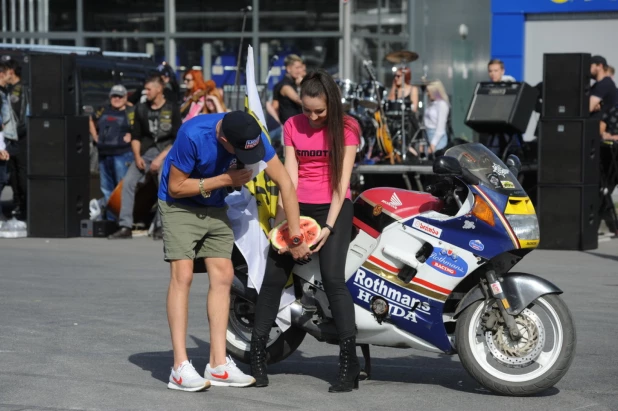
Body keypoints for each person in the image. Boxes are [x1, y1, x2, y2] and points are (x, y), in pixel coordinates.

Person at [158, 110, 311, 391]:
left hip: (214, 206)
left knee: (224, 275)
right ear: (223, 138)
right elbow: (176, 186)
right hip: (178, 205)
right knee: (183, 276)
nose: (247, 156)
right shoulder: (193, 135)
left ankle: (217, 364)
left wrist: (295, 235)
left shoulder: (252, 133)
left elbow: (286, 183)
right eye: (240, 151)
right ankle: (179, 367)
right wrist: (226, 181)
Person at [250, 69, 361, 393]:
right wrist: (287, 226)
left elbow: (342, 184)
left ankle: (348, 361)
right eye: (306, 110)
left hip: (334, 207)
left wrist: (327, 227)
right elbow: (290, 180)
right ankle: (257, 354)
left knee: (333, 278)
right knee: (272, 278)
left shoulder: (349, 127)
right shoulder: (291, 125)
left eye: (319, 111)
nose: (312, 117)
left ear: (332, 104)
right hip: (299, 205)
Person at [108, 76, 181, 240]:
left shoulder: (172, 108)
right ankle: (125, 226)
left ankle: (162, 226)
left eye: (148, 89)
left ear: (159, 89)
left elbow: (178, 138)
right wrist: (137, 156)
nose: (145, 92)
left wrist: (160, 159)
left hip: (166, 152)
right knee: (128, 182)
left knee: (165, 178)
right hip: (145, 152)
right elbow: (136, 136)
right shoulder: (141, 108)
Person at [89, 85, 135, 203]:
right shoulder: (103, 109)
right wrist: (95, 136)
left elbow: (142, 127)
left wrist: (132, 135)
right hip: (103, 154)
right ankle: (110, 218)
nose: (117, 99)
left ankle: (123, 218)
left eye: (120, 96)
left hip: (122, 155)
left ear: (125, 98)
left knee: (121, 187)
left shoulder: (131, 111)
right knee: (106, 188)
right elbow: (91, 119)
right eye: (114, 96)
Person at [272, 54, 304, 127]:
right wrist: (301, 86)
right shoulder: (285, 86)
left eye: (301, 67)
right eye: (297, 68)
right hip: (293, 126)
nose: (300, 70)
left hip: (292, 124)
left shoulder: (292, 83)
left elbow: (274, 106)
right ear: (289, 69)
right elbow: (301, 101)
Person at [423, 80, 450, 153]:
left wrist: (433, 144)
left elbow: (440, 128)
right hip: (428, 135)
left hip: (438, 139)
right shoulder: (431, 104)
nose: (427, 94)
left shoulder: (442, 105)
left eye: (429, 91)